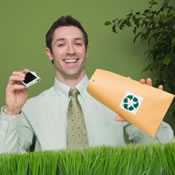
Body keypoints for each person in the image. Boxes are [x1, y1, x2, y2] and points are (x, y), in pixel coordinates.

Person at [0, 15, 174, 153]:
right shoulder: (30, 108)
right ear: (49, 53)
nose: (70, 50)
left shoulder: (120, 96)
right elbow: (7, 162)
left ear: (86, 50)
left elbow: (162, 152)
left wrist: (149, 115)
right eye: (61, 44)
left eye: (77, 43)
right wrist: (11, 112)